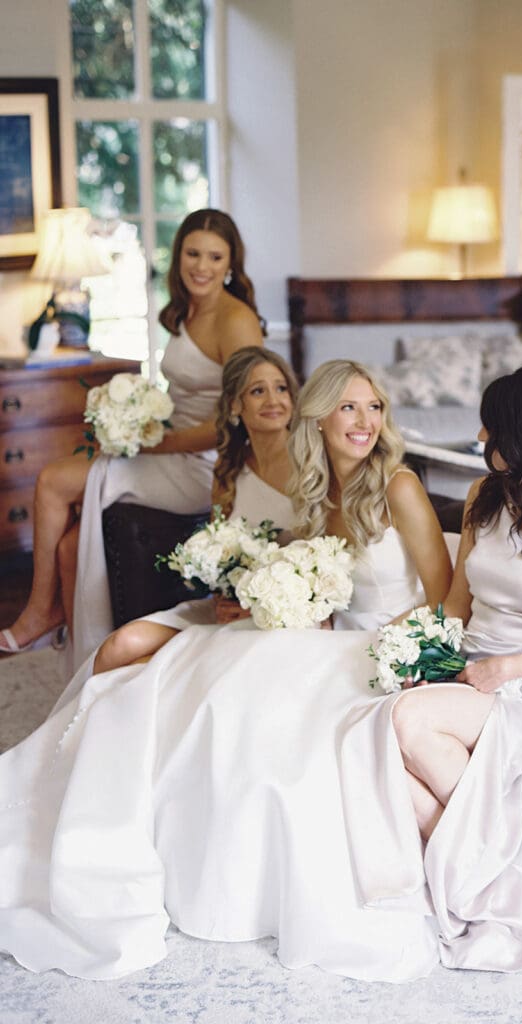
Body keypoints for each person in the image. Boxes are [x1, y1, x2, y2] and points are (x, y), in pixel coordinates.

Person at [0, 359, 454, 981]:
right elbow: (313, 578)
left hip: (382, 647)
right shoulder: (317, 491)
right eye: (349, 407)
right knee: (210, 671)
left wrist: (410, 654)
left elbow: (443, 596)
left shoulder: (397, 486)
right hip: (330, 638)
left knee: (248, 680)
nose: (364, 421)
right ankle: (118, 816)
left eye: (373, 407)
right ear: (320, 418)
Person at [338, 364, 522, 972]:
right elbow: (457, 607)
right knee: (372, 743)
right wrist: (426, 656)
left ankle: (482, 874)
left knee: (405, 721)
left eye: (492, 427)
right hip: (472, 672)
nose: (482, 435)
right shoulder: (482, 499)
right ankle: (489, 874)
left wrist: (508, 668)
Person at [0, 208, 265, 665]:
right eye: (193, 254)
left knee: (53, 481)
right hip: (169, 449)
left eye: (215, 257)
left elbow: (236, 422)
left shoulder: (235, 320)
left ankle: (40, 611)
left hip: (206, 466)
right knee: (69, 546)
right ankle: (86, 655)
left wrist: (156, 442)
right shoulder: (187, 309)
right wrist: (134, 419)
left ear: (231, 264)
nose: (201, 266)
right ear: (178, 255)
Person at [85, 346, 298, 683]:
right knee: (118, 646)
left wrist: (261, 604)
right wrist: (221, 596)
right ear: (235, 405)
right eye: (258, 391)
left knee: (145, 670)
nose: (273, 400)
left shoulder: (311, 464)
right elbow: (217, 548)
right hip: (229, 608)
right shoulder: (228, 468)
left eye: (281, 388)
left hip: (283, 614)